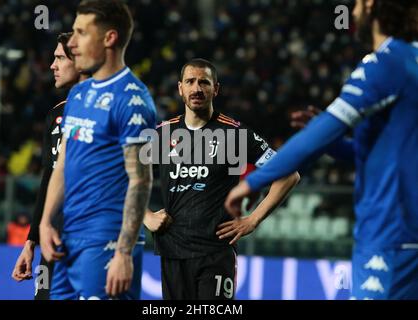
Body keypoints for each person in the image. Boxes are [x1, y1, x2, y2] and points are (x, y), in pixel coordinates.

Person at [225, 0, 418, 300]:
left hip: (390, 232)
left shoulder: (384, 64)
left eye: (355, 4)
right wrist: (332, 141)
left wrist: (254, 181)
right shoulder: (411, 61)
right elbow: (373, 153)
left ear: (370, 5)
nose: (351, 13)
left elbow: (326, 127)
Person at [144, 58, 300, 300]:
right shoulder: (162, 133)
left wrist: (254, 220)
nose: (196, 88)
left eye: (204, 82)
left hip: (216, 252)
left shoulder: (236, 134)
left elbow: (289, 173)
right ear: (180, 88)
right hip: (172, 251)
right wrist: (146, 216)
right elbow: (121, 174)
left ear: (215, 89)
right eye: (190, 82)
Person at [39, 0, 156, 300]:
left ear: (109, 38)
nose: (73, 43)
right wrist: (46, 220)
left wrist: (123, 252)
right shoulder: (78, 94)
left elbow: (141, 180)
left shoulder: (134, 101)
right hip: (68, 239)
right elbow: (63, 163)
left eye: (81, 33)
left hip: (106, 241)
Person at [11, 32, 85, 300]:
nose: (52, 65)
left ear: (80, 61)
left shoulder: (108, 110)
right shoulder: (55, 114)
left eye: (59, 58)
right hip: (52, 240)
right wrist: (30, 242)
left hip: (92, 239)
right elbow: (48, 177)